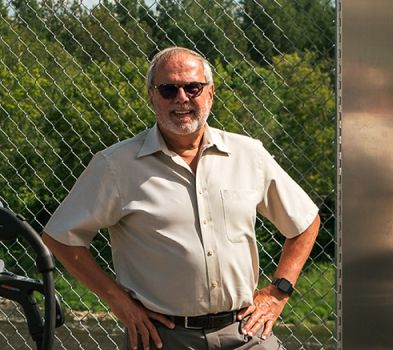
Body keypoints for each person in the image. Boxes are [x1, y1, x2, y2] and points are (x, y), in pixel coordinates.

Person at [40, 47, 323, 350]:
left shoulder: (248, 154)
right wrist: (117, 300)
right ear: (152, 96)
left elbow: (305, 222)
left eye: (192, 87)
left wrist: (278, 292)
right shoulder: (116, 166)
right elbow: (60, 237)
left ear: (210, 93)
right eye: (168, 89)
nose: (182, 97)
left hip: (245, 332)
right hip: (163, 337)